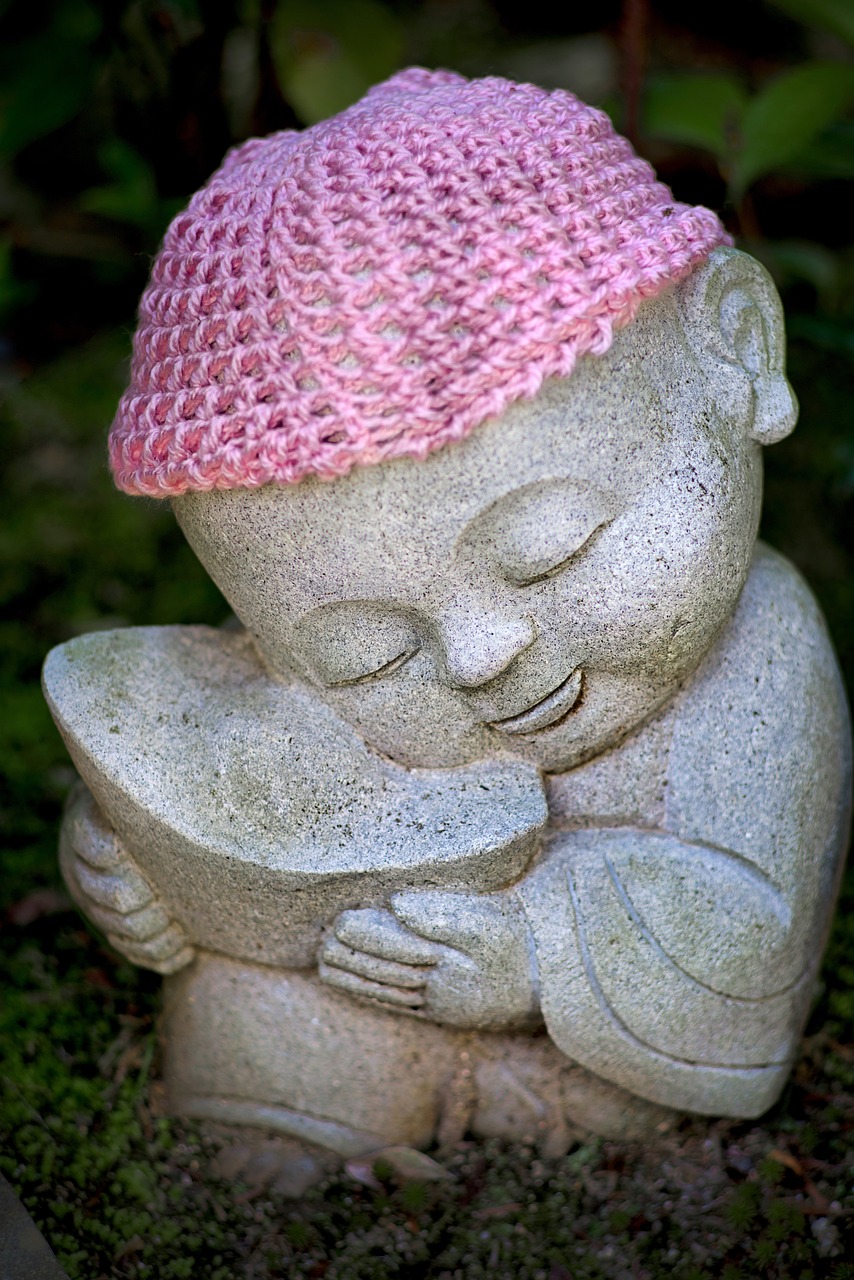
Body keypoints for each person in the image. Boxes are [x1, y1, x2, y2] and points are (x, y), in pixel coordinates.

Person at [45, 69, 851, 1152]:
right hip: (363, 984)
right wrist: (151, 859)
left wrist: (533, 957)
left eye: (547, 552)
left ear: (737, 350)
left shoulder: (758, 643)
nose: (479, 660)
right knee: (255, 1006)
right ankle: (278, 1172)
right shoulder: (311, 674)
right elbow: (255, 760)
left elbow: (755, 938)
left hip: (600, 1067)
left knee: (610, 1100)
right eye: (368, 656)